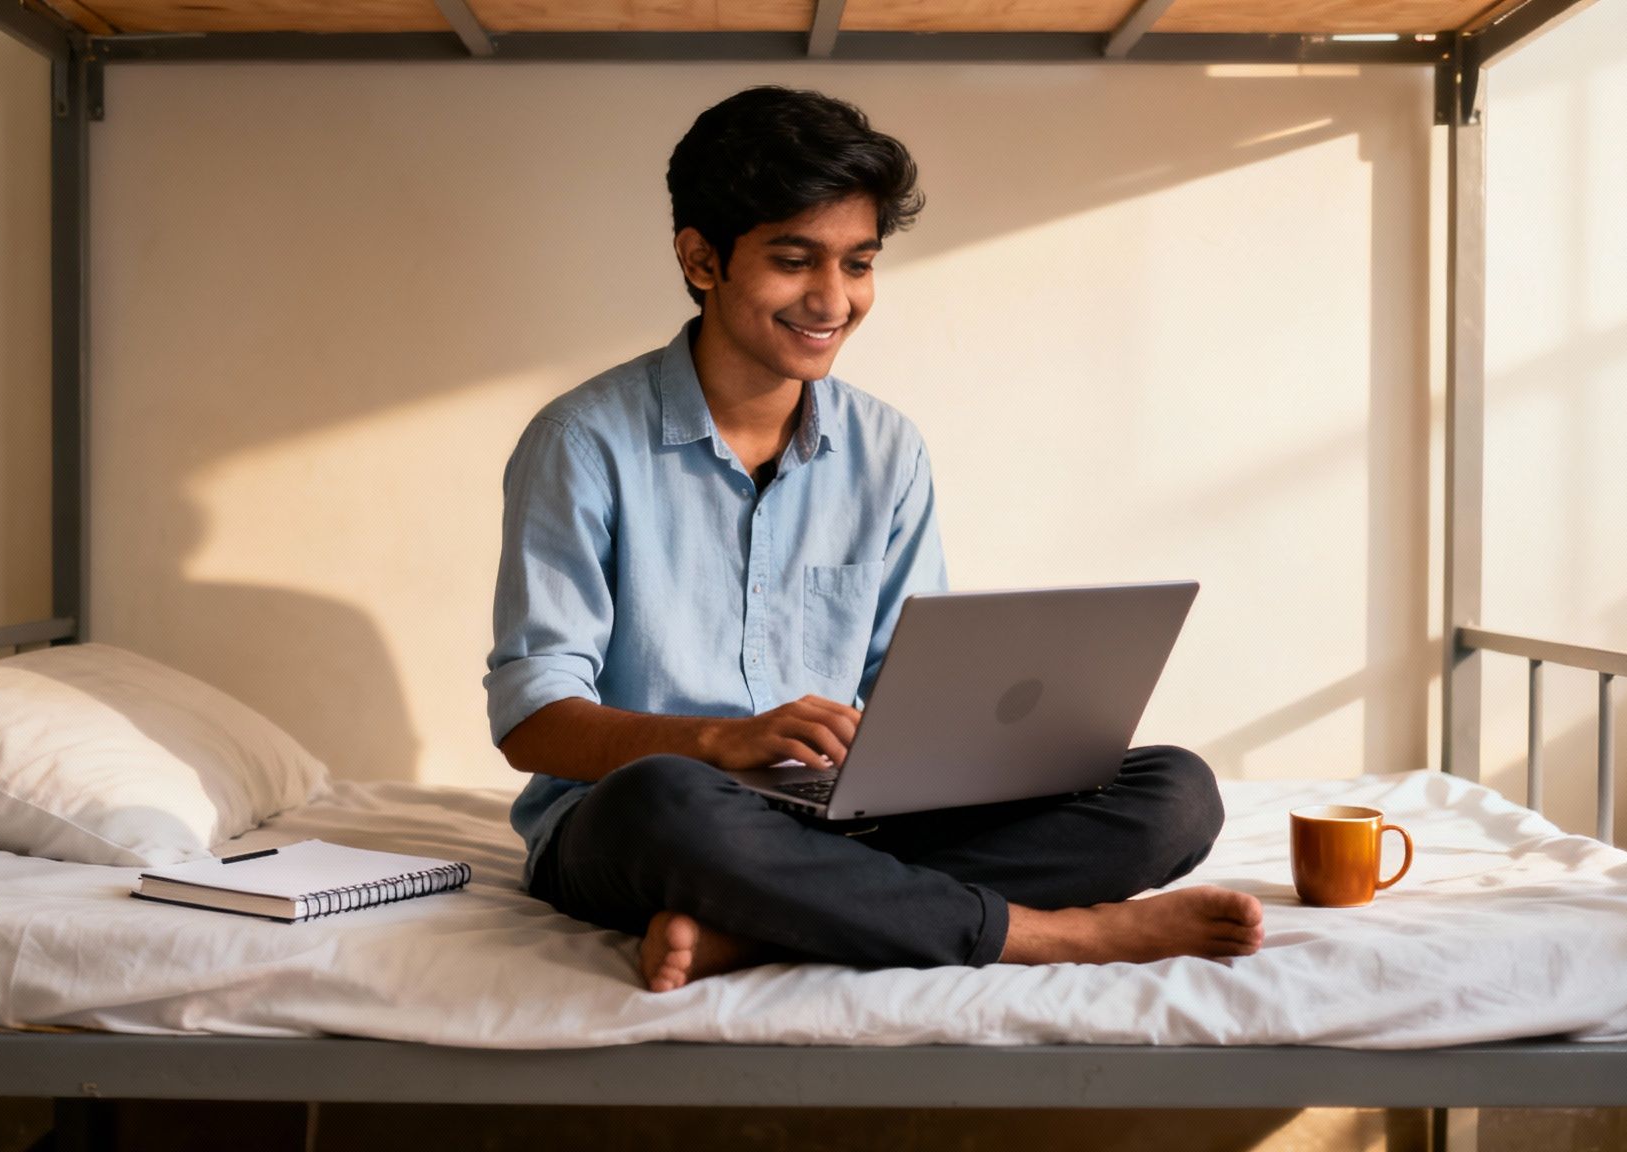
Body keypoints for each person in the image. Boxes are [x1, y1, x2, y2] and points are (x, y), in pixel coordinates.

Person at [485, 86, 1263, 993]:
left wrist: (977, 750)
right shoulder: (581, 442)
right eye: (794, 260)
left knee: (1174, 791)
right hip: (653, 821)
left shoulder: (886, 448)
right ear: (700, 259)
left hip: (844, 822)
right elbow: (532, 722)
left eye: (859, 263)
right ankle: (1049, 936)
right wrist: (719, 741)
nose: (834, 298)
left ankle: (768, 930)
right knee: (663, 802)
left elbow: (909, 685)